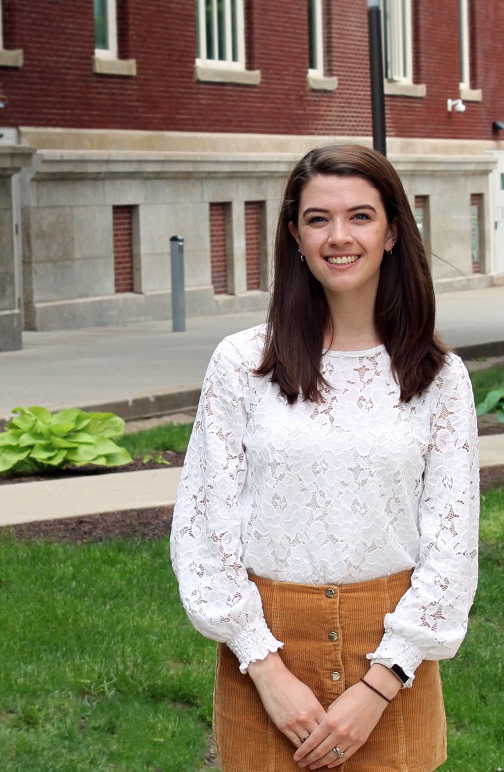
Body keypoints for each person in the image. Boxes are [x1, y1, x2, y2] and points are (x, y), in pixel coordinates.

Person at [171, 144, 480, 771]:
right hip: (264, 666)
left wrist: (380, 685)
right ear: (295, 235)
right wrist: (266, 669)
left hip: (394, 673)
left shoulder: (440, 378)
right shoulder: (242, 365)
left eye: (360, 216)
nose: (339, 236)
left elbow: (452, 548)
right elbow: (204, 526)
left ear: (392, 232)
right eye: (318, 219)